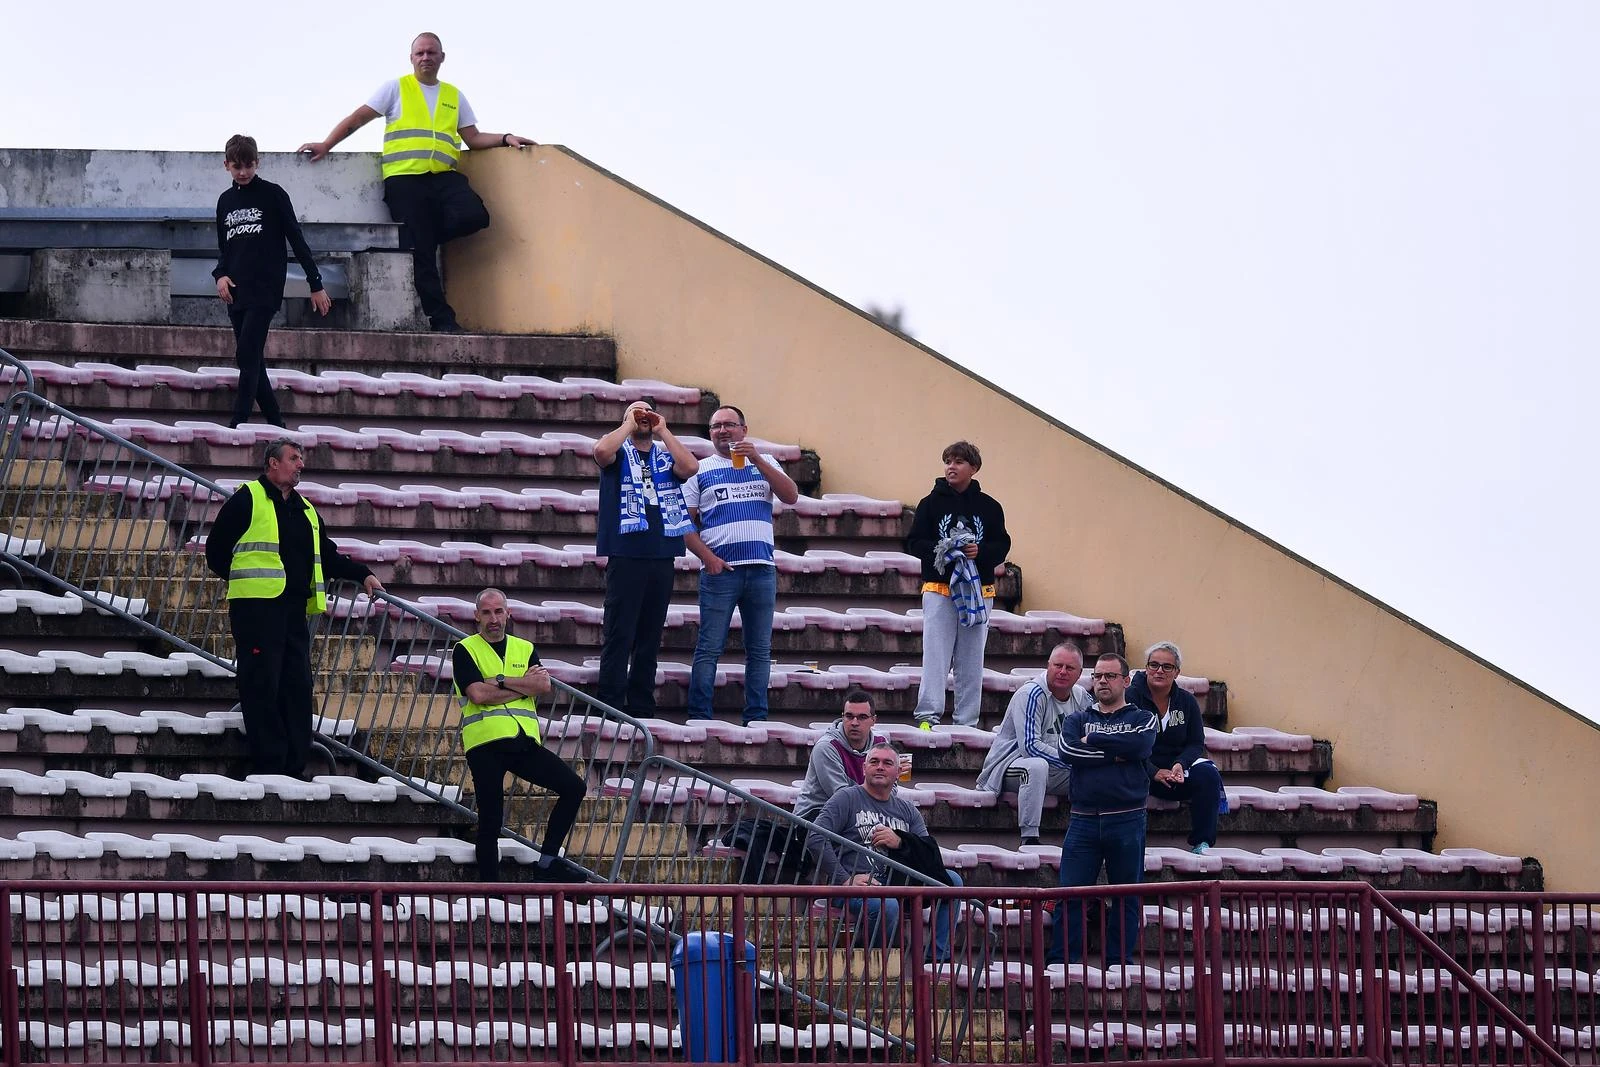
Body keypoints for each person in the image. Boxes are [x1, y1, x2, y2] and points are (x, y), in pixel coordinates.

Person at [297, 32, 534, 332]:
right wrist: (326, 144)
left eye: (431, 53)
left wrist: (505, 137)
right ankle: (443, 320)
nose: (425, 58)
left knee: (475, 216)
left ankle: (427, 236)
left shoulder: (453, 95)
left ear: (442, 57)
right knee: (423, 253)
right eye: (420, 53)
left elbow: (472, 138)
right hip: (405, 180)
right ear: (411, 58)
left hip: (444, 179)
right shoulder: (396, 88)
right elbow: (358, 118)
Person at [205, 439, 382, 777]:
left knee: (297, 687)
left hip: (293, 613)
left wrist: (363, 575)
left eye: (301, 459)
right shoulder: (247, 499)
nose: (300, 465)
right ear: (273, 463)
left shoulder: (306, 511)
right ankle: (271, 764)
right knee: (261, 685)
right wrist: (246, 584)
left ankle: (294, 764)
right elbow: (216, 552)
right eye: (293, 458)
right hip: (257, 612)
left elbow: (326, 556)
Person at [451, 588, 588, 883]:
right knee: (491, 818)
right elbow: (476, 693)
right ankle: (491, 889)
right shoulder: (465, 649)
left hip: (522, 741)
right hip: (485, 743)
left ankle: (547, 862)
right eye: (486, 612)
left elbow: (543, 686)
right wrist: (520, 686)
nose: (493, 619)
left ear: (508, 613)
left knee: (574, 787)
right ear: (476, 616)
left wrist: (498, 682)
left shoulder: (524, 648)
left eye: (498, 611)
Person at [682, 405, 799, 725]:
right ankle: (700, 715)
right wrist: (709, 559)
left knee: (760, 650)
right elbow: (685, 524)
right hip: (721, 572)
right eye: (716, 426)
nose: (723, 431)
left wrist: (757, 458)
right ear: (710, 433)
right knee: (709, 648)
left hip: (761, 568)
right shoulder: (699, 469)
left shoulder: (767, 462)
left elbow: (791, 496)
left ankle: (757, 716)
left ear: (744, 430)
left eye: (729, 425)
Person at [212, 134, 331, 429]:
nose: (243, 172)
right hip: (236, 291)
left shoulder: (273, 194)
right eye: (237, 166)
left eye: (248, 165)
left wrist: (314, 283)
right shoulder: (225, 202)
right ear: (226, 165)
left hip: (265, 288)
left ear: (257, 163)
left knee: (246, 353)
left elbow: (296, 238)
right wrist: (220, 276)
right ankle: (277, 424)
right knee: (253, 360)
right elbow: (224, 249)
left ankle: (237, 421)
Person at [592, 401, 698, 717]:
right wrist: (628, 424)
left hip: (662, 554)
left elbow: (690, 467)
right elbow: (601, 451)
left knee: (650, 635)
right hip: (626, 554)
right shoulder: (619, 451)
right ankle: (610, 703)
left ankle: (641, 705)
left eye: (646, 411)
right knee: (619, 632)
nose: (642, 416)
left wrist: (662, 429)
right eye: (635, 412)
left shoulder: (664, 456)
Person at [1051, 653, 1158, 965]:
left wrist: (1094, 740)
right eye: (1097, 676)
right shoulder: (1076, 719)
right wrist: (1115, 754)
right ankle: (1063, 962)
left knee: (1126, 895)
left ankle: (1118, 961)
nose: (1101, 682)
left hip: (1127, 819)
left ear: (1125, 681)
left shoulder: (1142, 718)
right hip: (1083, 819)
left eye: (1109, 676)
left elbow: (1141, 747)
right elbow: (1068, 750)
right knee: (1069, 894)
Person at [810, 744, 963, 961]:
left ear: (898, 772)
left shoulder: (908, 810)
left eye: (887, 763)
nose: (879, 767)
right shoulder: (846, 798)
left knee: (953, 881)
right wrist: (845, 880)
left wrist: (901, 841)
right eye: (874, 762)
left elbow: (929, 854)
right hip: (858, 886)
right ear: (864, 768)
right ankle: (879, 964)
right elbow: (815, 837)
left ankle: (937, 959)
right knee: (886, 904)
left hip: (899, 883)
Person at [905, 441, 1010, 728]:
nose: (951, 466)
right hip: (939, 589)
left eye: (959, 461)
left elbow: (1002, 544)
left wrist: (981, 552)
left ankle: (967, 721)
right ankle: (928, 715)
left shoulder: (990, 507)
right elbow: (914, 542)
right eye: (948, 461)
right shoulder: (929, 504)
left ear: (973, 468)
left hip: (978, 591)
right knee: (936, 655)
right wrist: (944, 550)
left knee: (971, 660)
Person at [975, 641, 1089, 845]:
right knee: (1037, 766)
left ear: (1079, 673)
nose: (1062, 672)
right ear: (1048, 665)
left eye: (1069, 668)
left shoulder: (1081, 698)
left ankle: (1090, 834)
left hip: (1057, 767)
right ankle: (1029, 837)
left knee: (1100, 771)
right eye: (1057, 665)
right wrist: (1075, 759)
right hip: (1010, 765)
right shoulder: (1031, 693)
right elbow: (1030, 747)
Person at [1130, 641, 1225, 855]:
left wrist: (1180, 764)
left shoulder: (1187, 701)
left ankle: (1202, 843)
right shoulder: (1130, 698)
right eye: (1153, 665)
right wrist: (1153, 772)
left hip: (1175, 771)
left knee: (1208, 775)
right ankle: (1130, 844)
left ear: (1177, 672)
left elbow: (1195, 743)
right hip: (1141, 769)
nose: (1159, 671)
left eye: (1167, 667)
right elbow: (1127, 746)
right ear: (1146, 668)